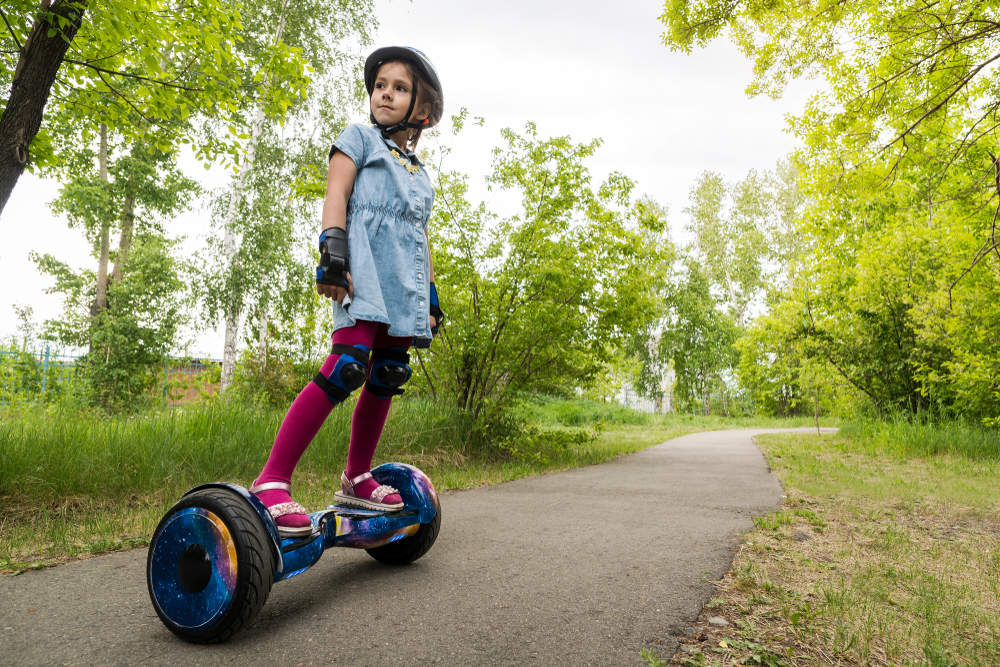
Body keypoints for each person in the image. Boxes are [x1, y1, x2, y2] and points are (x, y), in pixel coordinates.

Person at [249, 46, 445, 536]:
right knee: (347, 367)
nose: (386, 93)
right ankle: (271, 480)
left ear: (422, 111)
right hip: (363, 273)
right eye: (381, 85)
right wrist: (332, 253)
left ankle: (357, 476)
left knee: (389, 373)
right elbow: (336, 191)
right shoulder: (358, 138)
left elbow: (420, 236)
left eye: (400, 88)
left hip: (404, 284)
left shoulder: (421, 176)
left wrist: (432, 296)